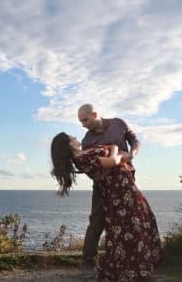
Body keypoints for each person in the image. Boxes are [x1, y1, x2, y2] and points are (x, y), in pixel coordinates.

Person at [50, 132, 162, 281]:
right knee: (130, 227)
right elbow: (113, 162)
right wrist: (118, 154)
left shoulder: (85, 152)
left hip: (125, 186)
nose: (76, 138)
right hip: (119, 191)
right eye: (72, 138)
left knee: (142, 220)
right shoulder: (82, 158)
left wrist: (114, 152)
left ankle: (141, 265)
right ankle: (134, 270)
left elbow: (111, 148)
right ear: (69, 144)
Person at [77, 104, 141, 268]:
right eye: (81, 121)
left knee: (129, 219)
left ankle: (130, 260)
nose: (83, 124)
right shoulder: (87, 140)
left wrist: (131, 154)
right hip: (102, 185)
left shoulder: (118, 124)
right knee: (97, 220)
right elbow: (92, 167)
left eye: (85, 119)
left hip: (124, 182)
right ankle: (88, 261)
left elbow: (135, 141)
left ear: (95, 114)